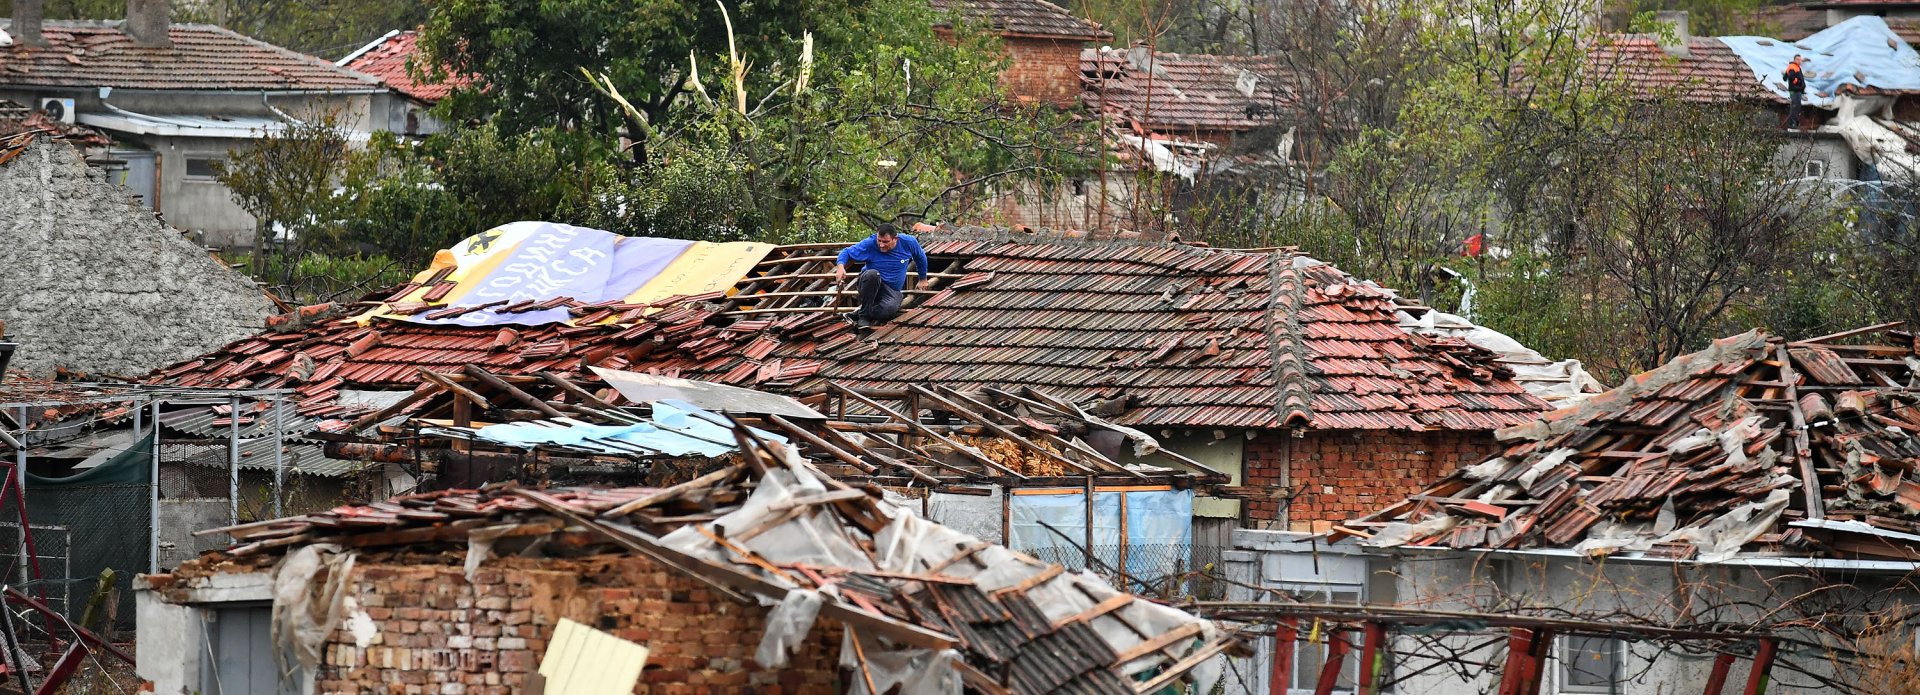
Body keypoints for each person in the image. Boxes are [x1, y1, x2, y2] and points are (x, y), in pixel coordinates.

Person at [834, 223, 930, 327]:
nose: (881, 245)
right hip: (869, 284)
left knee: (889, 310)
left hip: (891, 290)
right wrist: (840, 266)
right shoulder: (870, 243)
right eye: (879, 240)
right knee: (872, 274)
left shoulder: (908, 242)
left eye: (885, 242)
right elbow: (846, 252)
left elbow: (920, 257)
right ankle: (864, 317)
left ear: (895, 239)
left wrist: (923, 279)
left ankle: (857, 314)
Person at [1784, 55, 1807, 131]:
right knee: (1795, 107)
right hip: (1795, 90)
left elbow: (1785, 77)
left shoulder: (1796, 67)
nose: (1799, 61)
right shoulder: (1793, 67)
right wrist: (1798, 82)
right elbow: (1790, 77)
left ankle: (1795, 123)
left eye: (1800, 60)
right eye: (1797, 59)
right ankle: (1792, 124)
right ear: (1794, 59)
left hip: (1797, 90)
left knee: (1796, 107)